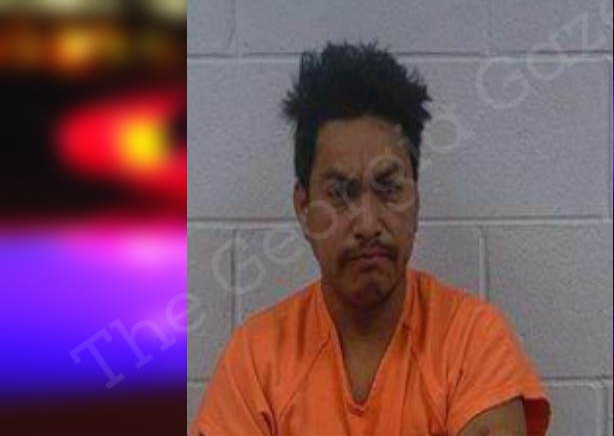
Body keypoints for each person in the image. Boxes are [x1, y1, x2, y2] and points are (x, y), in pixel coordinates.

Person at [191, 41, 550, 435]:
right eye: (340, 194)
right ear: (304, 207)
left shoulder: (472, 338)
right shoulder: (256, 359)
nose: (367, 224)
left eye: (389, 189)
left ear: (416, 198)